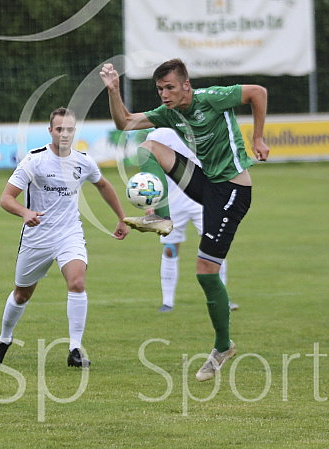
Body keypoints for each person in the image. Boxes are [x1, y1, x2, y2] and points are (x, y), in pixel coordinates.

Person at [100, 58, 269, 382]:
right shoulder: (169, 113)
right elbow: (125, 123)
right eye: (160, 89)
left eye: (170, 88)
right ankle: (160, 215)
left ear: (186, 86)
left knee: (206, 271)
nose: (164, 94)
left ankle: (223, 347)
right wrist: (114, 91)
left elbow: (257, 93)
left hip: (233, 190)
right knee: (149, 147)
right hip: (207, 184)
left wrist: (258, 138)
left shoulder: (211, 98)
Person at [0, 107, 129, 369]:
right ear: (50, 131)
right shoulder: (34, 161)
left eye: (70, 130)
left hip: (69, 234)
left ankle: (75, 350)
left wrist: (121, 217)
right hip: (37, 237)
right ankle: (4, 340)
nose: (65, 134)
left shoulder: (83, 161)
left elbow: (103, 185)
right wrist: (25, 212)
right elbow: (6, 199)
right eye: (60, 129)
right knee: (22, 294)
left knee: (77, 282)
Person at [146, 128, 238, 314]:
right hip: (172, 201)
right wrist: (153, 201)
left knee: (215, 247)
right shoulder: (157, 135)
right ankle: (168, 302)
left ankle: (223, 299)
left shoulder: (199, 123)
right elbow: (152, 170)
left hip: (203, 199)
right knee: (170, 249)